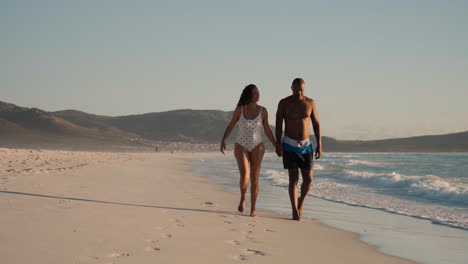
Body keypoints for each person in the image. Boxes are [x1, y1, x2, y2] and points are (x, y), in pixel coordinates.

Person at [220, 84, 277, 217]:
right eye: (255, 93)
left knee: (254, 178)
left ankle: (253, 209)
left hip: (258, 146)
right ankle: (243, 197)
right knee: (245, 176)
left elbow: (267, 130)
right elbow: (231, 124)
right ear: (249, 95)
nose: (258, 95)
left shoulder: (263, 111)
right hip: (241, 145)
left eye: (258, 93)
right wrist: (223, 139)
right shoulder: (240, 109)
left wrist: (276, 145)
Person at [275, 78, 322, 221]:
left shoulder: (310, 103)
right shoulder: (284, 103)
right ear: (291, 88)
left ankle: (300, 201)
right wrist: (278, 144)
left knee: (308, 180)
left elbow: (316, 123)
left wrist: (319, 144)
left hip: (306, 145)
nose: (299, 92)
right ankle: (294, 210)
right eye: (296, 90)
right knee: (293, 179)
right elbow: (278, 124)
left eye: (301, 90)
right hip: (289, 144)